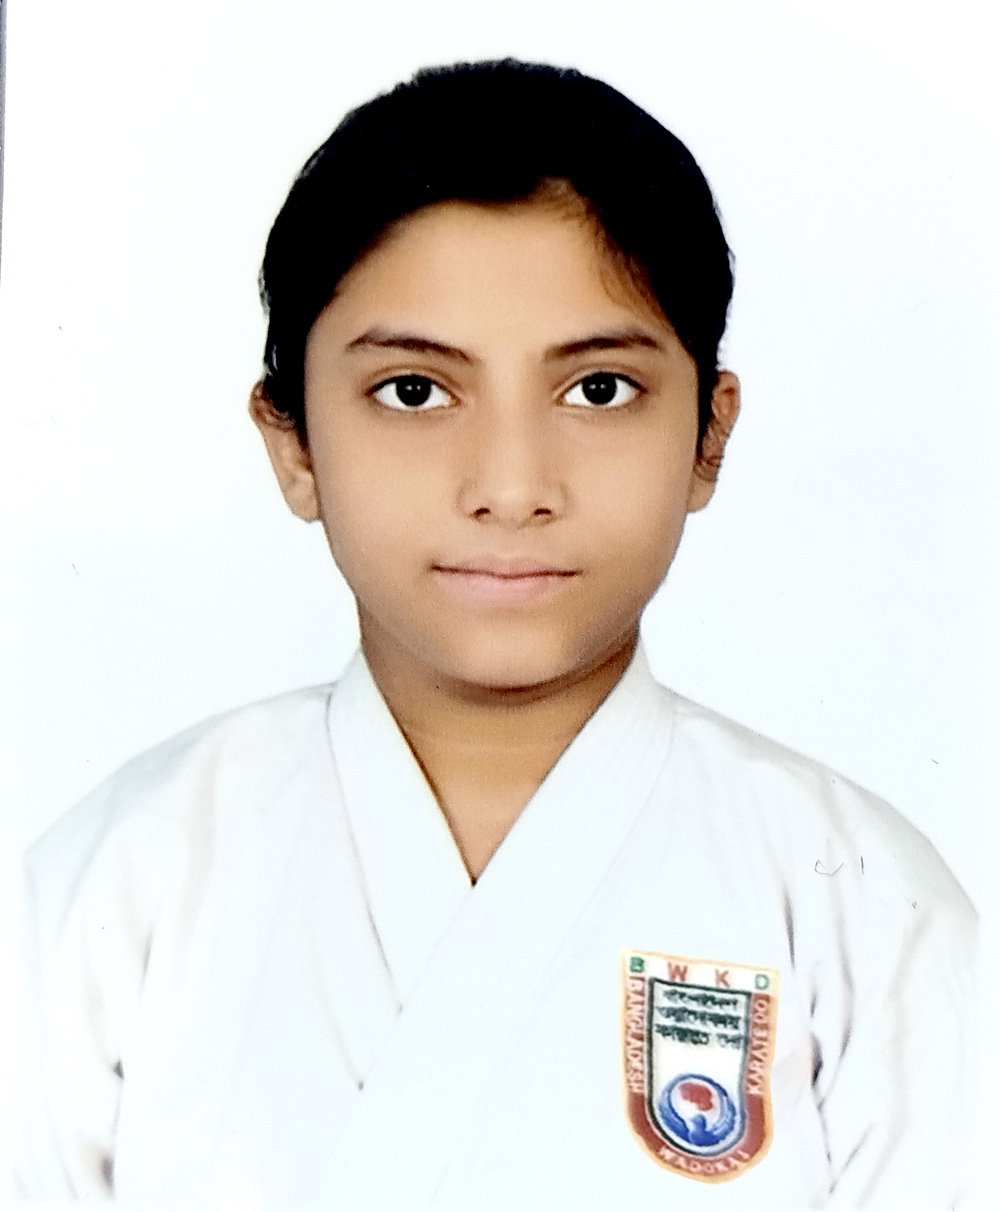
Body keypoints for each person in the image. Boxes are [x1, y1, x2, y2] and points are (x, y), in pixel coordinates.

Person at [16, 59, 975, 1209]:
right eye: (414, 392)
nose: (512, 488)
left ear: (708, 437)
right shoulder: (117, 883)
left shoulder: (860, 905)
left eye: (599, 390)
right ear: (293, 444)